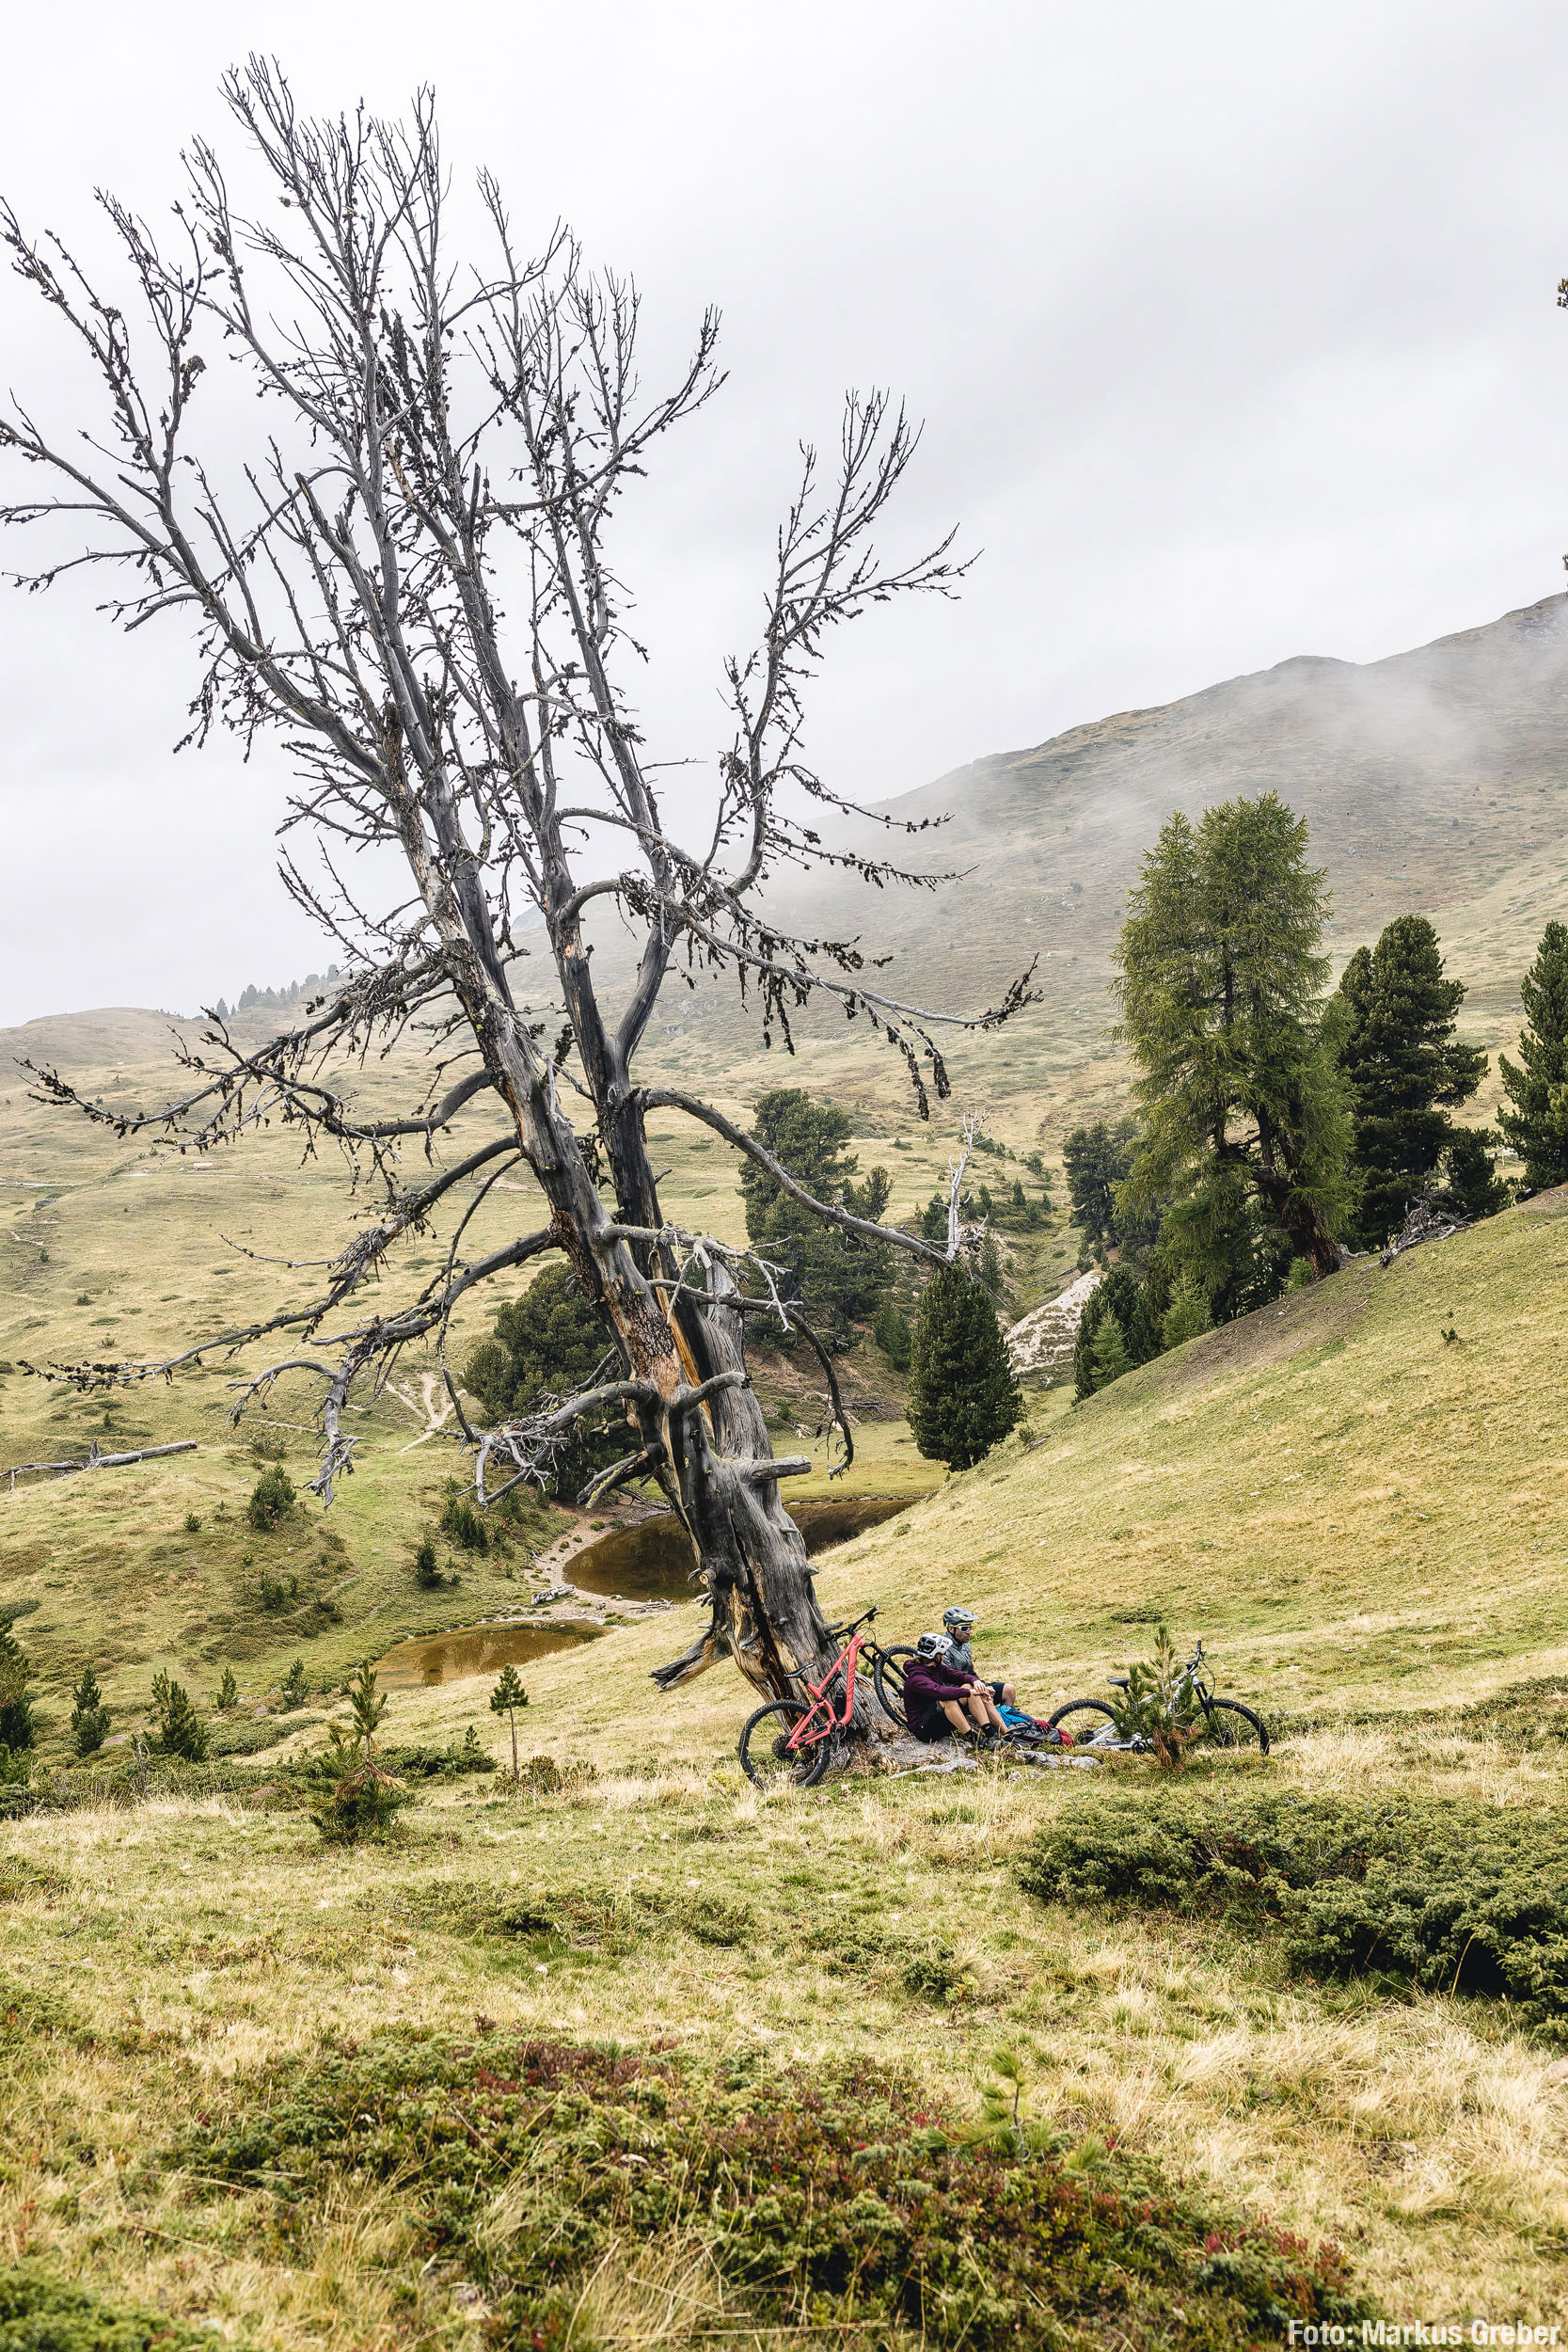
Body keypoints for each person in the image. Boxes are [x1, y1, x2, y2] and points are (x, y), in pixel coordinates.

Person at [899, 1631, 1007, 1748]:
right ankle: (976, 1740)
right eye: (943, 1653)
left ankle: (990, 1734)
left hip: (939, 1718)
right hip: (924, 1729)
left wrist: (976, 1682)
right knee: (949, 1699)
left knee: (968, 1686)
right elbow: (939, 1691)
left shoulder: (936, 1667)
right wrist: (970, 1692)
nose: (944, 1655)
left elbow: (958, 1675)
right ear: (936, 1655)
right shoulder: (917, 1678)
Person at [942, 1607, 1017, 1710]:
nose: (968, 1632)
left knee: (1009, 1690)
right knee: (980, 1694)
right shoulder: (943, 1649)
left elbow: (970, 1672)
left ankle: (1005, 1720)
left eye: (969, 1627)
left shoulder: (965, 1644)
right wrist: (976, 1688)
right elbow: (945, 1681)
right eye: (964, 1628)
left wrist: (981, 1685)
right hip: (958, 1693)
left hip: (972, 1684)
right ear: (951, 1629)